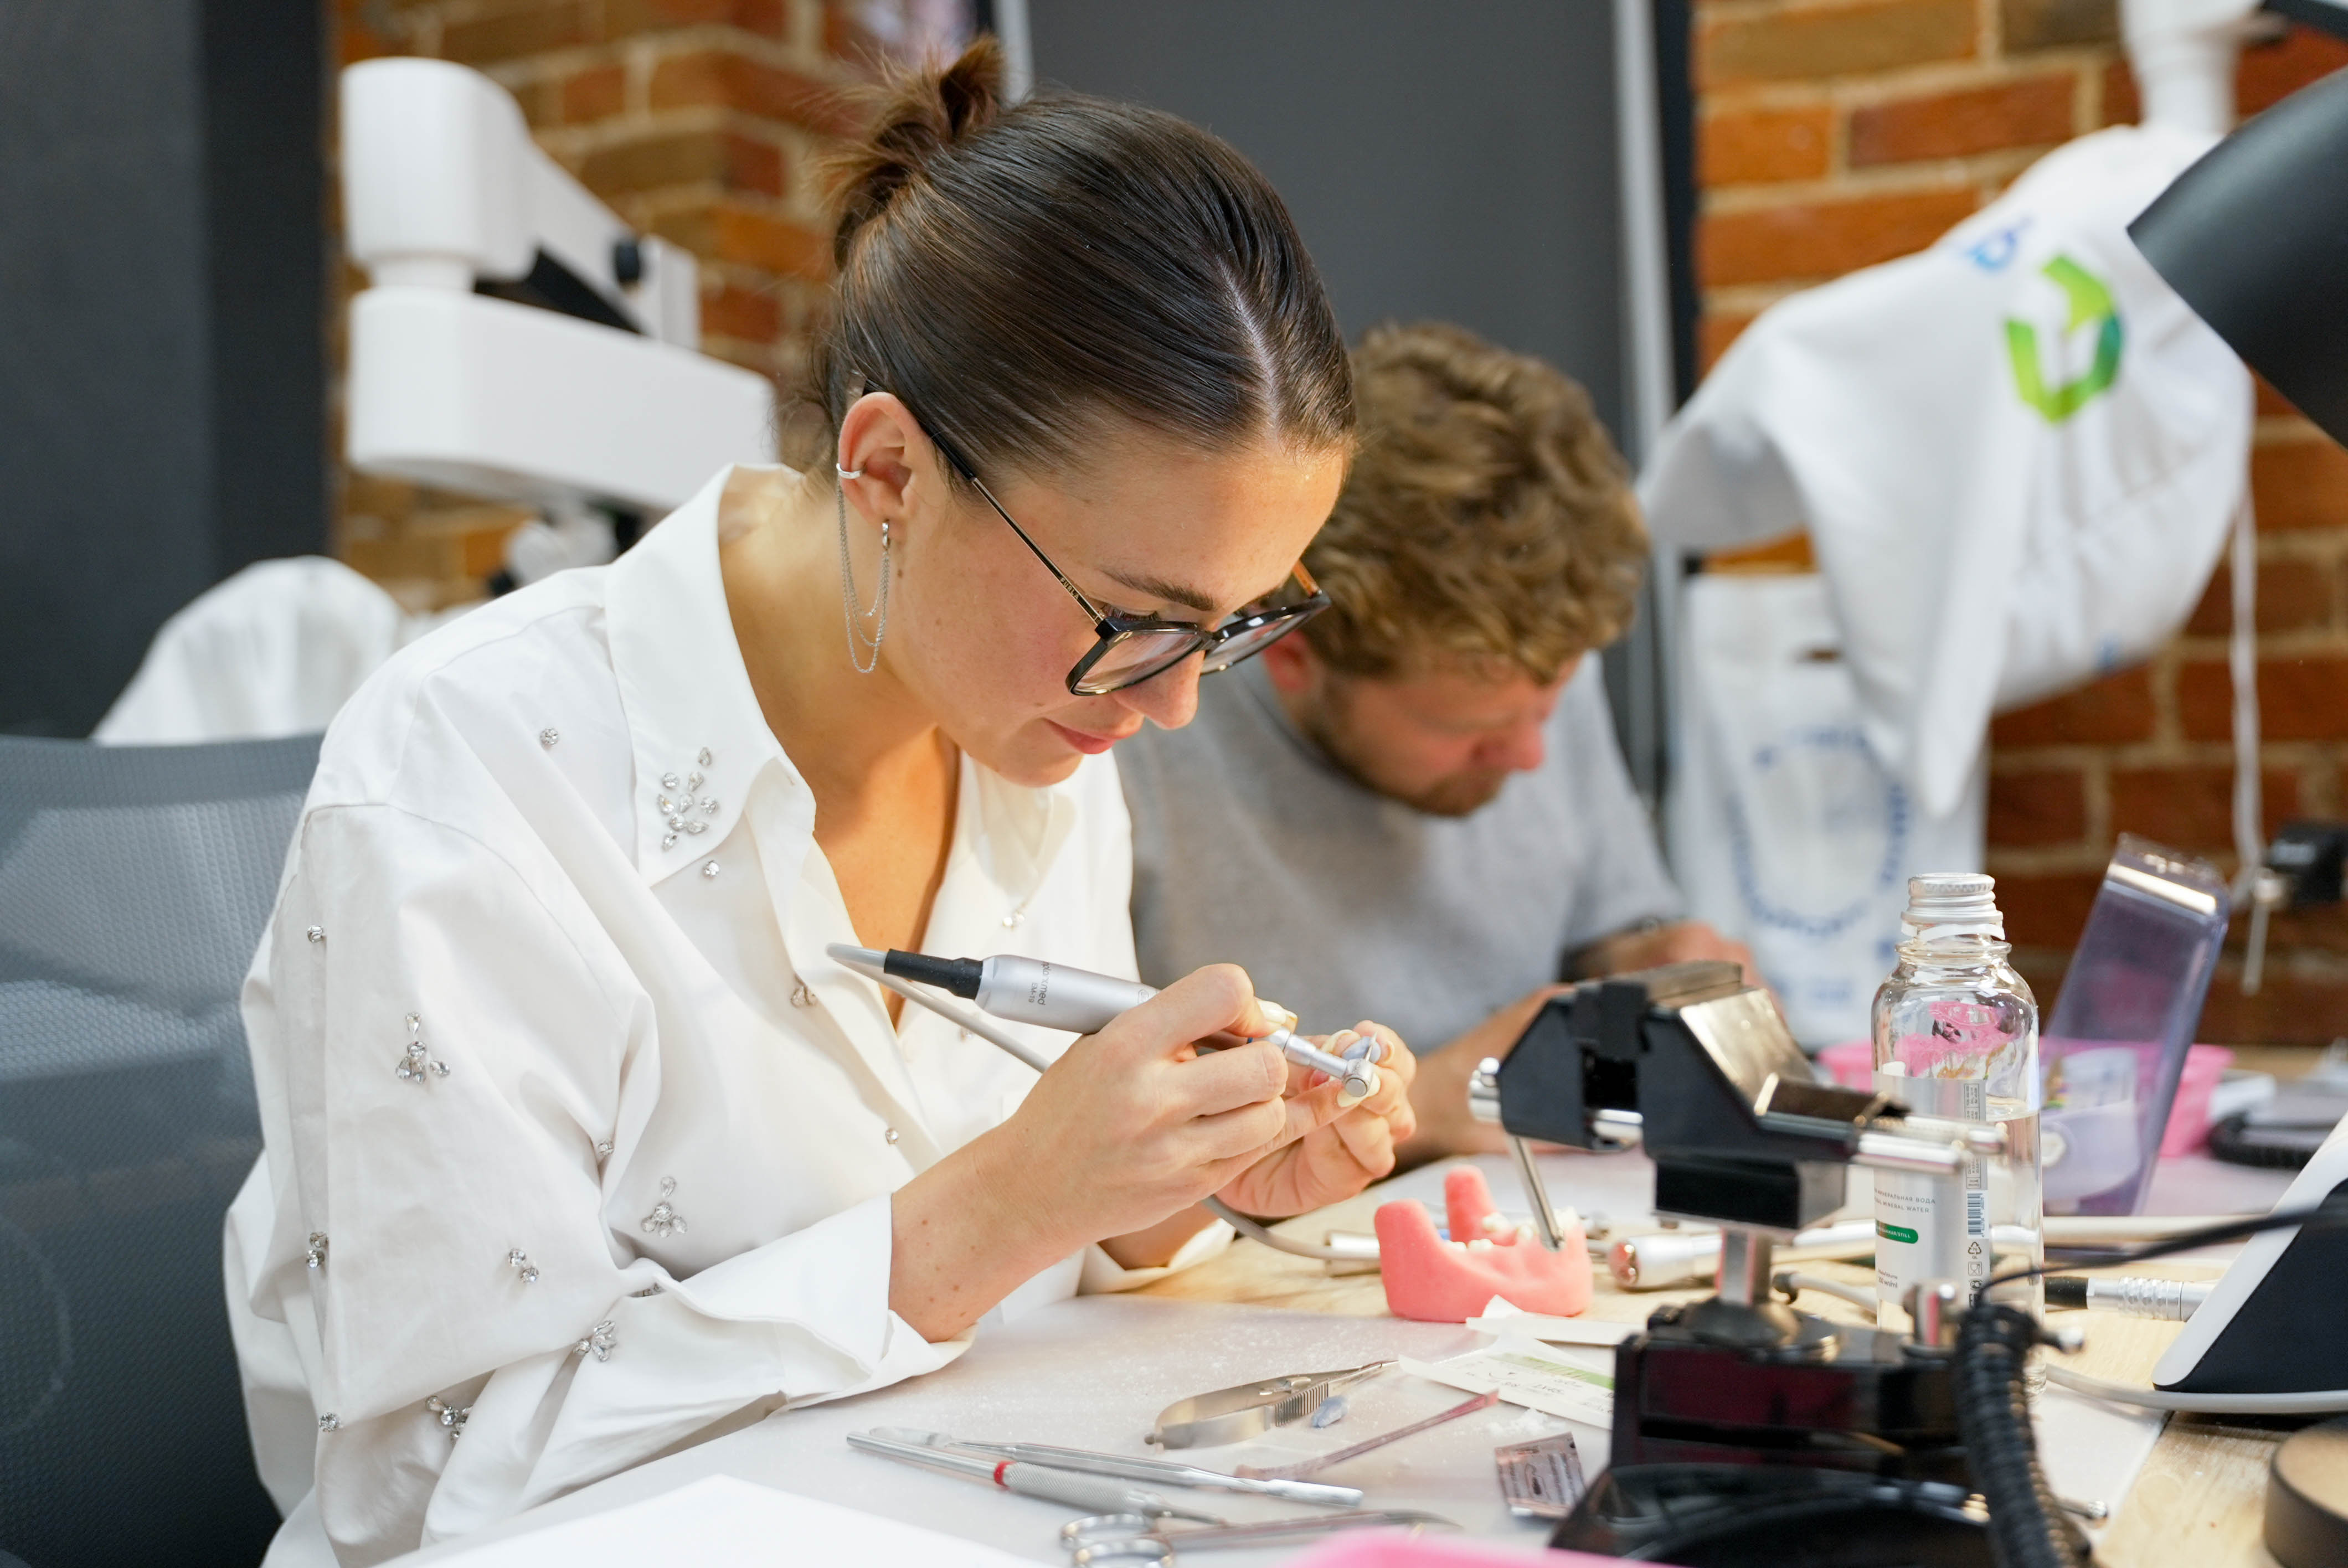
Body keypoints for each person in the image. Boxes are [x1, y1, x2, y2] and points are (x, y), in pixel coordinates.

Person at [225, 42, 1418, 1565]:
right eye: (1137, 618)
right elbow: (422, 1489)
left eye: (1235, 623)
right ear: (888, 470)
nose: (1175, 701)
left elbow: (1032, 1297)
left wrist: (1173, 1187)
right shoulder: (472, 778)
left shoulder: (1044, 742)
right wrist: (990, 1215)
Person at [1119, 322, 1748, 1167]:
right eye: (1471, 732)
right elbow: (1096, 1156)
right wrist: (1428, 1103)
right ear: (1296, 658)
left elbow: (1604, 929)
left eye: (1550, 706)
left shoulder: (1530, 664)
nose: (1529, 758)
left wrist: (1654, 962)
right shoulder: (1138, 737)